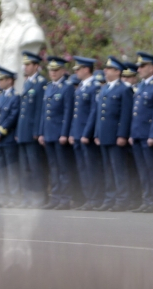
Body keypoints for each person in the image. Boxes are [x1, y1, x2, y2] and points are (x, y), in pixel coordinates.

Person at [86, 56, 134, 211]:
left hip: (115, 135)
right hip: (104, 135)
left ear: (117, 71)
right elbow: (100, 114)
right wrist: (97, 134)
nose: (105, 71)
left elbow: (125, 114)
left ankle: (122, 199)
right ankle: (110, 198)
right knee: (108, 169)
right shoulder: (104, 88)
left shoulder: (124, 89)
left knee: (118, 169)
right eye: (105, 69)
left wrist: (122, 135)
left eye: (109, 69)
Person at [129, 52, 153, 213]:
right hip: (138, 134)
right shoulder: (141, 86)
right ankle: (148, 199)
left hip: (149, 135)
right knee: (143, 170)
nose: (139, 69)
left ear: (152, 67)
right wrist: (132, 134)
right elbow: (135, 113)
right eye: (139, 66)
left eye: (143, 66)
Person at [38, 56, 74, 210]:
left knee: (62, 168)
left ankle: (64, 199)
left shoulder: (67, 87)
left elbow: (68, 112)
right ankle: (55, 197)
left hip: (59, 133)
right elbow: (43, 113)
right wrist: (41, 132)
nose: (53, 73)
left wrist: (64, 134)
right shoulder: (49, 88)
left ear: (63, 71)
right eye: (51, 70)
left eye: (56, 70)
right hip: (48, 133)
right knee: (53, 167)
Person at [69, 56, 102, 211]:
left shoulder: (94, 86)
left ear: (87, 69)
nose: (76, 72)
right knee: (82, 168)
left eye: (79, 69)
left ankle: (95, 198)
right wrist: (72, 133)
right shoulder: (82, 86)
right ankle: (88, 197)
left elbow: (93, 113)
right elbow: (76, 114)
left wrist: (86, 134)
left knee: (91, 168)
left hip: (85, 135)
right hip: (77, 134)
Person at [16, 52, 48, 208]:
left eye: (28, 65)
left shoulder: (41, 83)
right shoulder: (27, 83)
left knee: (36, 168)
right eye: (25, 64)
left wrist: (37, 131)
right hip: (23, 132)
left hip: (32, 133)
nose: (25, 67)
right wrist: (18, 132)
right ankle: (28, 197)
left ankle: (38, 197)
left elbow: (40, 110)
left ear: (36, 66)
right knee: (25, 168)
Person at [0, 64, 21, 207]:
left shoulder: (15, 96)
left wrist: (1, 131)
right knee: (1, 170)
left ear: (9, 80)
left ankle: (14, 198)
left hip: (7, 138)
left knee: (11, 170)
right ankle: (3, 196)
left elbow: (12, 116)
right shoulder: (0, 95)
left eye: (2, 79)